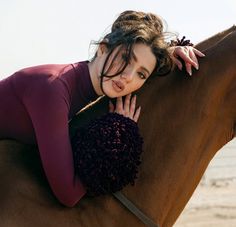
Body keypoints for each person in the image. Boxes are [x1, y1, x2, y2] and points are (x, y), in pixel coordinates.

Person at [0, 10, 205, 207]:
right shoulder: (53, 88)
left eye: (141, 74)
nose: (128, 77)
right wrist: (114, 137)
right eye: (126, 59)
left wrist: (170, 51)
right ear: (103, 48)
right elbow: (68, 194)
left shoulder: (80, 85)